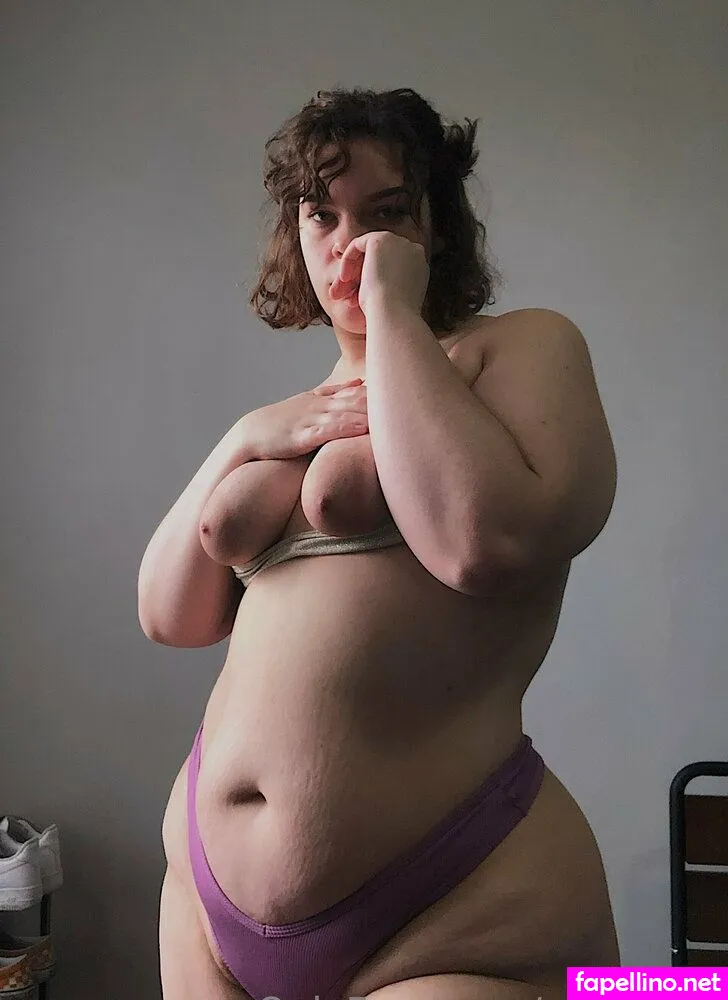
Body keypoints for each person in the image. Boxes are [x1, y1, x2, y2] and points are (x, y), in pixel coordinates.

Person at [139, 87, 620, 1000]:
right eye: (321, 216)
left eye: (386, 212)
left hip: (453, 904)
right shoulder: (295, 415)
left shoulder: (518, 349)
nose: (349, 243)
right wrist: (241, 438)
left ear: (437, 225)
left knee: (673, 993)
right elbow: (169, 616)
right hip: (202, 899)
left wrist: (395, 309)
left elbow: (482, 544)